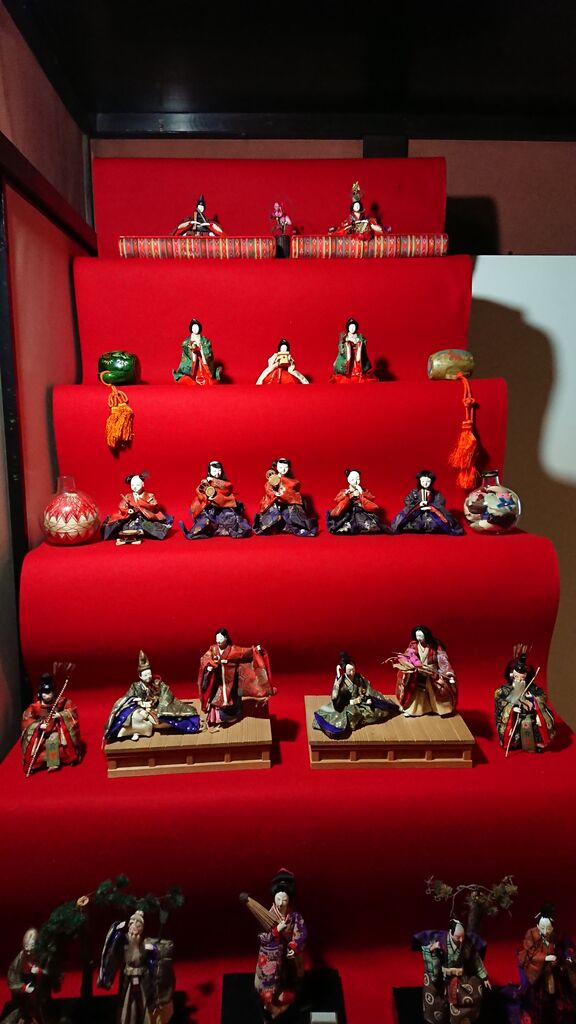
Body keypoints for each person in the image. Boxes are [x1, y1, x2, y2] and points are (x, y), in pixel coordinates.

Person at [246, 869, 307, 1019]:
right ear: (273, 898)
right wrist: (276, 931)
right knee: (267, 984)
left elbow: (302, 932)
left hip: (289, 955)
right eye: (278, 899)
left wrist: (294, 946)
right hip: (272, 955)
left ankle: (284, 1003)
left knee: (292, 980)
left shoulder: (294, 917)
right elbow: (262, 937)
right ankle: (270, 1006)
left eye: (284, 900)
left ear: (289, 900)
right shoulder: (267, 916)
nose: (280, 903)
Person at [98, 910, 175, 1024]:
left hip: (142, 979)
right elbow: (113, 947)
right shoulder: (124, 941)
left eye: (137, 926)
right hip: (128, 979)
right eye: (132, 924)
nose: (134, 928)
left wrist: (154, 949)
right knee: (128, 1002)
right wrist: (116, 930)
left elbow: (162, 951)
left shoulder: (145, 943)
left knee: (144, 1002)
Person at [104, 651, 200, 743]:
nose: (149, 677)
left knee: (168, 720)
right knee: (134, 716)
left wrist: (162, 706)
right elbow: (127, 698)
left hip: (155, 708)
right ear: (140, 676)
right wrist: (137, 701)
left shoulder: (156, 683)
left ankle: (138, 730)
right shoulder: (135, 686)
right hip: (141, 709)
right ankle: (135, 730)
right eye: (145, 675)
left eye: (149, 674)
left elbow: (166, 692)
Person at [416, 919, 490, 1024]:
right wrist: (432, 949)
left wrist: (484, 977)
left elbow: (475, 960)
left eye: (462, 937)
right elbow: (428, 951)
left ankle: (461, 1019)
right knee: (435, 997)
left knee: (469, 996)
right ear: (451, 932)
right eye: (458, 937)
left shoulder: (467, 944)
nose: (461, 940)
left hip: (461, 978)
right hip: (442, 976)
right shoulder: (441, 942)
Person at [198, 629, 273, 728]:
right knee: (216, 698)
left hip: (232, 680)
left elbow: (246, 652)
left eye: (220, 639)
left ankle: (233, 715)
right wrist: (209, 665)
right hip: (218, 680)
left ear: (226, 638)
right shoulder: (213, 649)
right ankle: (216, 718)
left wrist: (255, 649)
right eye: (217, 639)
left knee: (234, 699)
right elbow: (206, 658)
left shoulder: (234, 650)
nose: (218, 641)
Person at [313, 652, 397, 737]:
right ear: (345, 671)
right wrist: (338, 676)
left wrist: (368, 698)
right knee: (348, 718)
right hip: (347, 706)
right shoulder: (342, 682)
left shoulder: (359, 678)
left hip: (361, 703)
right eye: (350, 670)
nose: (352, 672)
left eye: (353, 669)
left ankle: (362, 719)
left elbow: (367, 689)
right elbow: (335, 696)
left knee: (378, 712)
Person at [517, 904, 576, 1024]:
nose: (545, 931)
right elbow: (529, 952)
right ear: (538, 925)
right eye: (542, 927)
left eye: (548, 928)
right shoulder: (532, 934)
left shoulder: (560, 935)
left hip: (557, 975)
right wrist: (545, 958)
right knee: (536, 1006)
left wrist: (563, 959)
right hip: (539, 976)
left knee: (559, 1006)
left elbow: (569, 951)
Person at [494, 645, 555, 754]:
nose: (519, 680)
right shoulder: (504, 690)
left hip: (529, 715)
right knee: (513, 729)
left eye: (522, 678)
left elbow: (542, 697)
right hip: (514, 717)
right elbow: (499, 701)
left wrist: (533, 700)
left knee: (537, 724)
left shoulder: (532, 688)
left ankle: (538, 744)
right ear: (512, 676)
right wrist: (511, 708)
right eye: (517, 677)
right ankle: (513, 743)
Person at [21, 669, 81, 775]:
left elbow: (71, 710)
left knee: (54, 740)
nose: (47, 696)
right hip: (41, 731)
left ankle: (54, 763)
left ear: (53, 693)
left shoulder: (59, 702)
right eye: (44, 694)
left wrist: (61, 715)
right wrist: (38, 726)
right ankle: (34, 765)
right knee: (37, 746)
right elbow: (27, 718)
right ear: (40, 694)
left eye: (49, 693)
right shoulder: (36, 706)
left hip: (55, 729)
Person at [389, 626, 457, 717]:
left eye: (421, 636)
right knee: (417, 692)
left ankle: (440, 709)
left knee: (436, 691)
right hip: (419, 672)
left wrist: (448, 673)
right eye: (417, 636)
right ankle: (413, 710)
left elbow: (443, 660)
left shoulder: (435, 646)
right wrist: (408, 663)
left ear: (426, 635)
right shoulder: (414, 645)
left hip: (432, 672)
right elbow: (408, 655)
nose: (419, 638)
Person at [180, 460, 251, 539]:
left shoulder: (225, 483)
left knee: (231, 518)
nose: (217, 473)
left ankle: (239, 531)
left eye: (219, 470)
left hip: (223, 508)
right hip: (210, 508)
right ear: (209, 472)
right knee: (205, 520)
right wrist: (205, 497)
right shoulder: (206, 481)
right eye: (214, 471)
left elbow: (227, 488)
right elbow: (199, 491)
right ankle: (192, 533)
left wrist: (214, 491)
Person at [102, 472, 173, 545]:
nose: (135, 487)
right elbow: (122, 505)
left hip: (144, 517)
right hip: (131, 518)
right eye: (132, 485)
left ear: (143, 484)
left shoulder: (149, 496)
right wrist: (128, 510)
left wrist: (140, 504)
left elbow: (153, 506)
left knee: (151, 527)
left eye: (137, 485)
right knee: (118, 525)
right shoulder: (128, 496)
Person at [5, 927, 57, 1024]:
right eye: (26, 949)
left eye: (31, 949)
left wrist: (39, 972)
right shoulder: (20, 958)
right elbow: (12, 977)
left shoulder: (42, 956)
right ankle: (25, 1016)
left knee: (40, 1005)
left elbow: (50, 972)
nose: (28, 952)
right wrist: (24, 988)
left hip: (39, 990)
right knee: (23, 1007)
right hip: (24, 989)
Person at [253, 458, 317, 537]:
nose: (283, 469)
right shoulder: (273, 477)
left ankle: (293, 528)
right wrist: (274, 493)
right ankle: (273, 527)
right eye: (280, 467)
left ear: (289, 468)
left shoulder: (293, 481)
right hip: (275, 503)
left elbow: (294, 492)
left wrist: (284, 494)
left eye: (285, 467)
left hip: (288, 504)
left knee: (293, 516)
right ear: (276, 467)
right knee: (272, 516)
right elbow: (268, 488)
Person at [390, 470, 464, 535]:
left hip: (431, 515)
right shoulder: (414, 492)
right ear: (419, 481)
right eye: (423, 481)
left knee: (437, 524)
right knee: (409, 523)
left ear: (432, 481)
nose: (425, 483)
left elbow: (440, 503)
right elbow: (408, 501)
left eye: (428, 481)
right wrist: (419, 505)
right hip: (417, 515)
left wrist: (430, 507)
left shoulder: (436, 494)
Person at [326, 469, 389, 534]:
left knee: (364, 520)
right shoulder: (345, 491)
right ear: (348, 480)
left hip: (361, 510)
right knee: (346, 520)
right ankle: (346, 528)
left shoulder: (363, 490)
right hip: (349, 510)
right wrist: (345, 494)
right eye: (353, 480)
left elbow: (371, 497)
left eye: (358, 479)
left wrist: (361, 492)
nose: (356, 481)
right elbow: (337, 499)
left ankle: (368, 527)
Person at [172, 318, 222, 386]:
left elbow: (208, 350)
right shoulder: (187, 341)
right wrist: (192, 350)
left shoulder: (204, 340)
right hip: (193, 361)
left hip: (202, 360)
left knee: (209, 381)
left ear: (199, 328)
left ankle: (205, 378)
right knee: (189, 379)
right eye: (193, 327)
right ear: (191, 328)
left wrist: (201, 349)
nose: (195, 329)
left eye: (196, 327)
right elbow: (185, 349)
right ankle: (191, 378)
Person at [329, 317, 378, 383]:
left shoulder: (360, 336)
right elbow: (340, 345)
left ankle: (358, 373)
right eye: (350, 327)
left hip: (358, 354)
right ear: (348, 328)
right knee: (347, 366)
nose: (352, 328)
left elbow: (364, 342)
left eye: (354, 327)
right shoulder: (344, 336)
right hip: (348, 355)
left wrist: (360, 343)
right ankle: (348, 373)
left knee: (359, 364)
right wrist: (343, 347)